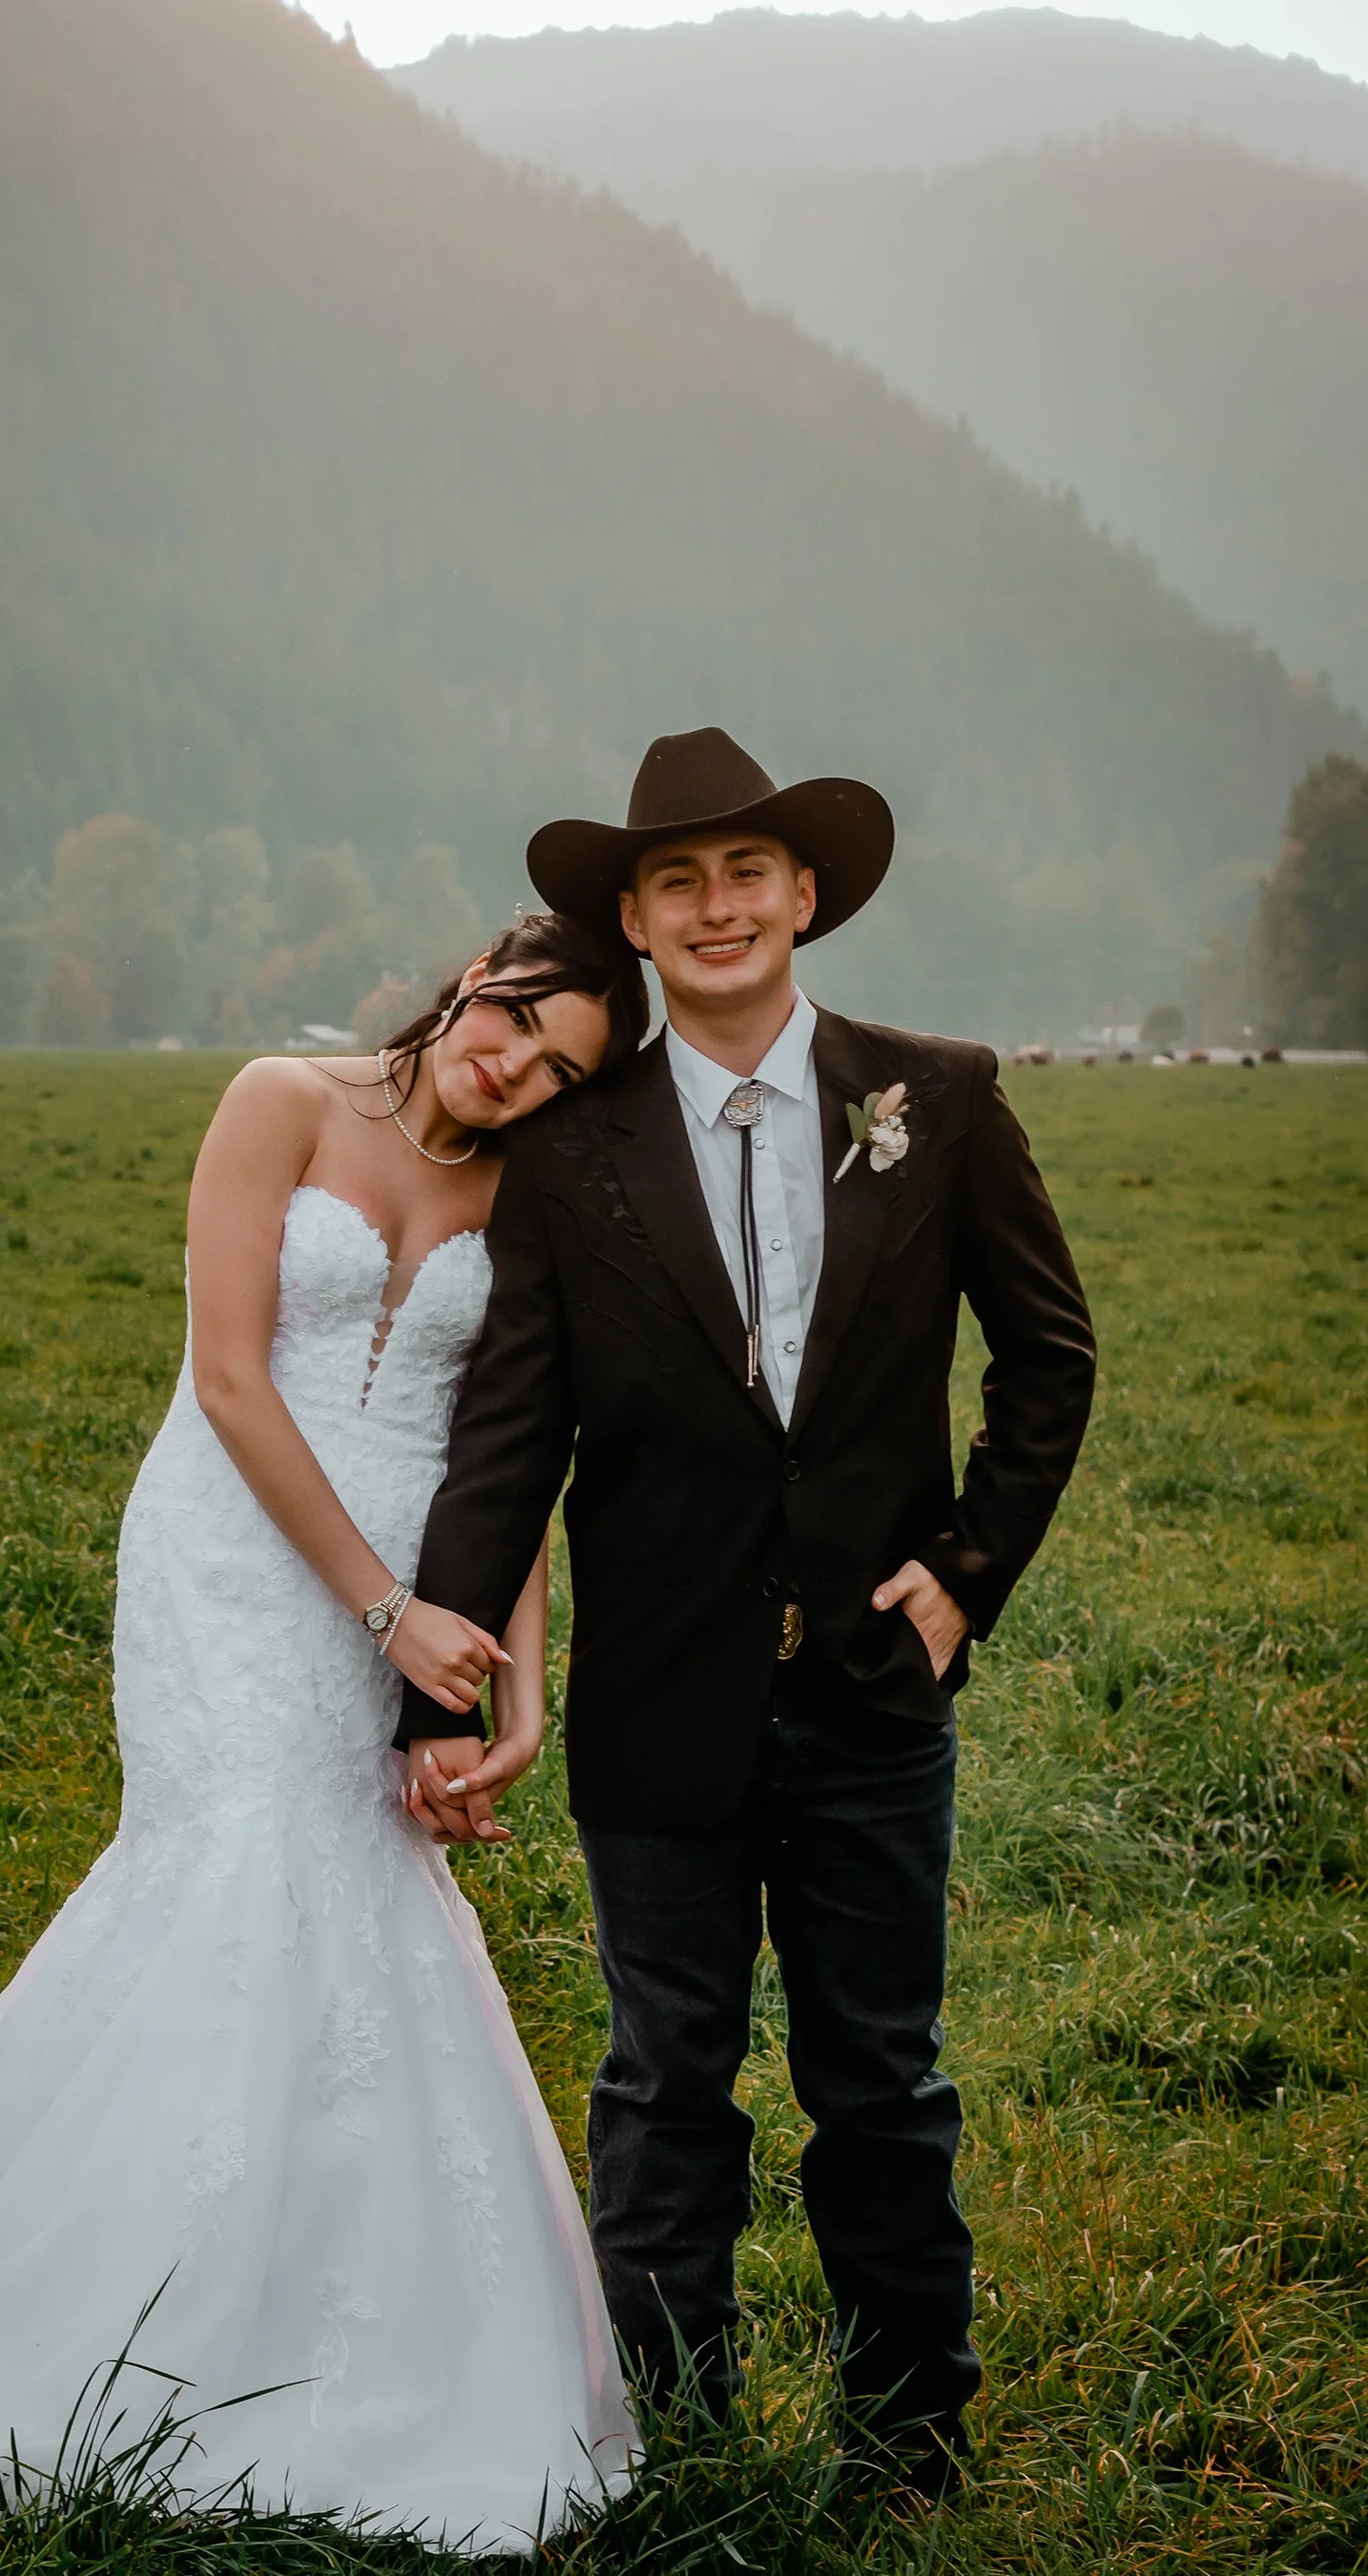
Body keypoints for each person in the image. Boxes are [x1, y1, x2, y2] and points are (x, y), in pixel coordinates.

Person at [0, 912, 648, 2554]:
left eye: (558, 1072)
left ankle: (338, 2319)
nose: (512, 1066)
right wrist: (386, 1611)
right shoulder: (280, 1098)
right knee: (234, 1866)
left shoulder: (522, 1201)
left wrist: (516, 1681)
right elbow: (233, 1382)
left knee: (361, 1894)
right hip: (233, 1560)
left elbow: (508, 1449)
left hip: (412, 1582)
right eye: (517, 1018)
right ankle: (111, 2321)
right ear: (474, 979)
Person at [399, 729, 1096, 2492]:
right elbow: (510, 1429)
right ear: (634, 919)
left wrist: (963, 1580)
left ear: (806, 897)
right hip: (659, 1698)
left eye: (746, 875)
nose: (717, 907)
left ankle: (911, 2436)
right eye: (677, 881)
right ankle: (672, 2443)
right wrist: (444, 1681)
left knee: (881, 2079)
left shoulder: (934, 1094)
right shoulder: (574, 1150)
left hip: (876, 1691)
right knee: (665, 2080)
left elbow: (1049, 1359)